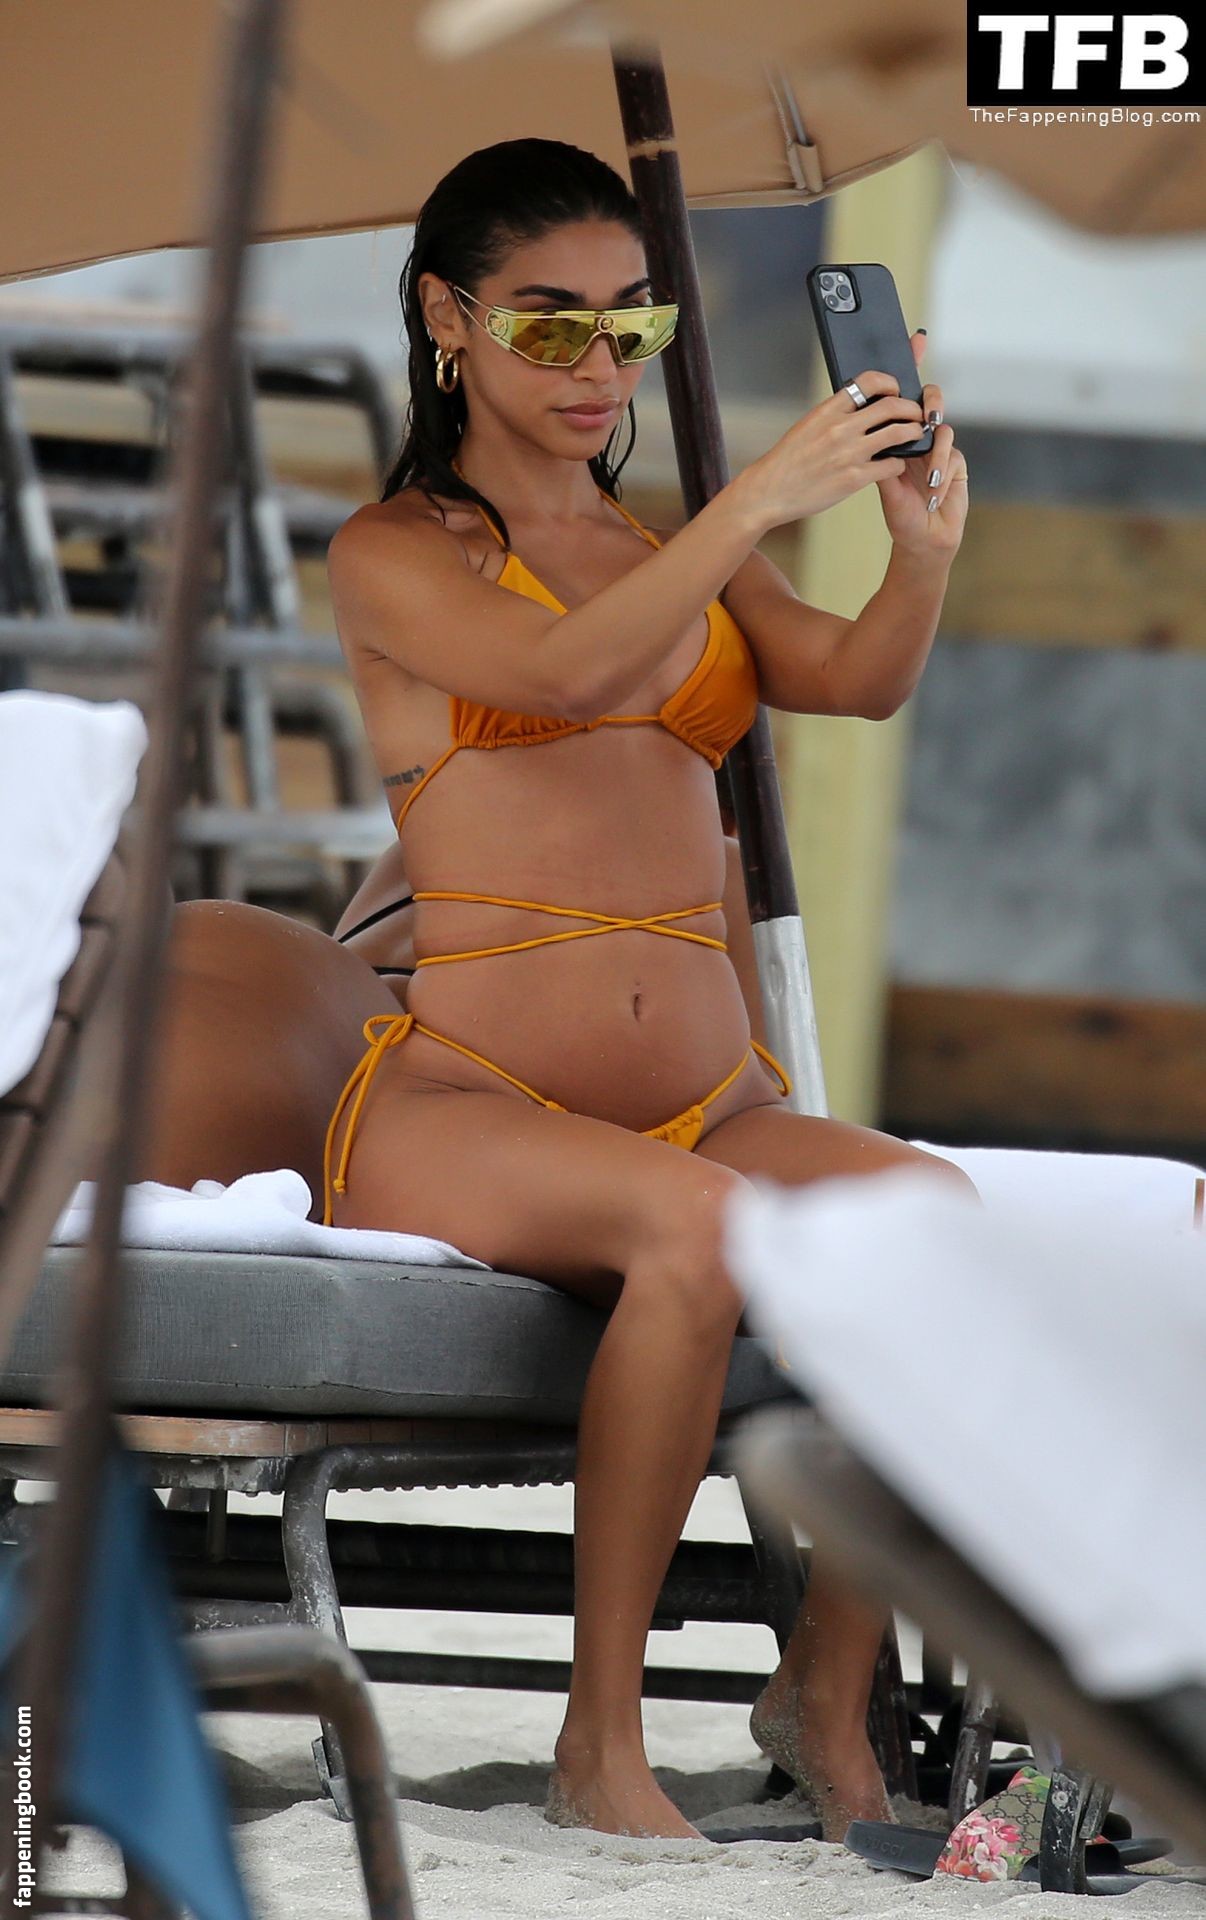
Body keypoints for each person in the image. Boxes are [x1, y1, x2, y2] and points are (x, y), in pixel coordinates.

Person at [298, 135, 979, 1841]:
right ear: (446, 321)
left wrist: (913, 552)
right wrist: (757, 497)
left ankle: (822, 1690)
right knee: (691, 1228)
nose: (598, 364)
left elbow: (850, 680)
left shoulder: (659, 540)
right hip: (470, 1102)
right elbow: (563, 669)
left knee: (931, 1222)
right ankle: (596, 1743)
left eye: (632, 324)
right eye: (550, 323)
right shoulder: (391, 551)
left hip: (707, 1097)